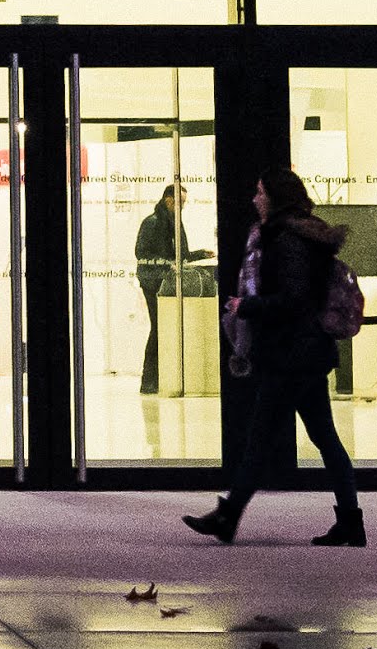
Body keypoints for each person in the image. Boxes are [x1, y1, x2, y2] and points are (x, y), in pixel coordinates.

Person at [186, 169, 363, 547]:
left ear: (276, 198)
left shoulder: (288, 241)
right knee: (323, 437)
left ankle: (228, 516)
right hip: (305, 354)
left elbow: (294, 300)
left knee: (261, 439)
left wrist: (246, 305)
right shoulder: (300, 235)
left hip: (290, 356)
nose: (254, 198)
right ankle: (350, 520)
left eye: (260, 192)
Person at [136, 180, 190, 396]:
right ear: (169, 200)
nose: (182, 206)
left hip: (166, 281)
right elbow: (141, 252)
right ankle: (148, 380)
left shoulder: (175, 222)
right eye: (180, 202)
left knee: (162, 329)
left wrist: (199, 255)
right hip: (152, 282)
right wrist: (166, 263)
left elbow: (180, 254)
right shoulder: (152, 223)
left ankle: (158, 379)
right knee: (158, 328)